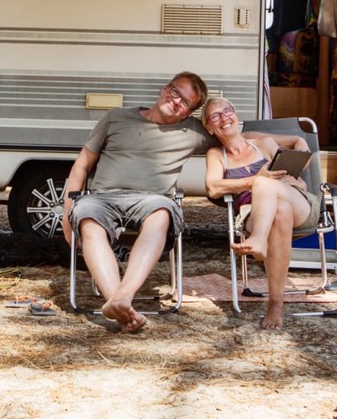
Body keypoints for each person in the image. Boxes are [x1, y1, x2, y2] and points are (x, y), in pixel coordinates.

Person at [61, 71, 210, 333]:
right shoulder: (116, 117)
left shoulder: (193, 131)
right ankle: (117, 303)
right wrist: (66, 214)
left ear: (188, 113)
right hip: (103, 198)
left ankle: (121, 299)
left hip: (151, 200)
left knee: (163, 212)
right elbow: (81, 166)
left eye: (185, 102)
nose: (176, 101)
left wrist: (286, 143)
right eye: (176, 92)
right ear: (165, 88)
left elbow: (234, 137)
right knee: (87, 217)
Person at [201, 97, 318, 330]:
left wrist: (297, 164)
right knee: (278, 209)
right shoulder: (216, 154)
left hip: (299, 203)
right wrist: (253, 181)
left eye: (228, 111)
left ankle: (258, 240)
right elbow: (213, 188)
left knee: (266, 186)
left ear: (235, 115)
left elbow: (297, 149)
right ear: (209, 127)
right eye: (216, 116)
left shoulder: (262, 142)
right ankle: (276, 305)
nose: (224, 118)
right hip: (255, 212)